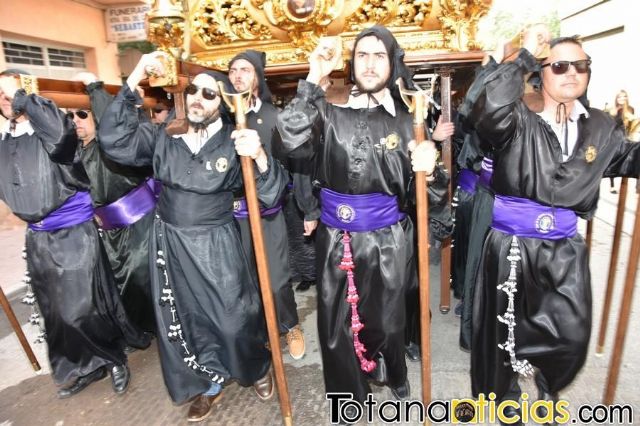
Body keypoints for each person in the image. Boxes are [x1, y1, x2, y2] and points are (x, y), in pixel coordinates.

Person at [98, 53, 289, 422]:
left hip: (217, 243)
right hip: (169, 244)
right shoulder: (162, 135)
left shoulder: (236, 141)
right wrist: (136, 74)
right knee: (186, 322)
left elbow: (272, 193)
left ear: (223, 103)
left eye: (209, 93)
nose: (198, 98)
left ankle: (255, 367)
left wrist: (261, 155)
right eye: (193, 91)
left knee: (235, 319)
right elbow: (113, 139)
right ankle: (208, 385)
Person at [469, 27, 640, 425]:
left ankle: (550, 382)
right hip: (510, 245)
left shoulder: (602, 126)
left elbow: (630, 159)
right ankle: (501, 398)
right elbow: (486, 107)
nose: (571, 73)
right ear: (542, 73)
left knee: (571, 335)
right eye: (559, 65)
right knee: (501, 334)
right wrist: (525, 54)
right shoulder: (515, 119)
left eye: (580, 65)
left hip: (564, 248)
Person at [276, 25, 451, 404]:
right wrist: (313, 76)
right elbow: (288, 140)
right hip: (335, 236)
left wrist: (431, 168)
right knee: (335, 325)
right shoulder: (327, 110)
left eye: (379, 56)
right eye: (362, 55)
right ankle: (348, 398)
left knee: (387, 324)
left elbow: (435, 199)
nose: (369, 64)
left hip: (387, 239)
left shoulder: (410, 120)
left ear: (392, 63)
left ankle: (393, 371)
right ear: (351, 63)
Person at [0, 69, 149, 399]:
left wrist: (25, 98)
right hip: (38, 238)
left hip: (72, 231)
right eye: (1, 96)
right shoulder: (5, 139)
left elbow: (60, 139)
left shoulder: (51, 126)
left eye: (11, 93)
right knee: (56, 312)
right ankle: (84, 365)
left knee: (86, 305)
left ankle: (113, 360)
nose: (7, 100)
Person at [228, 50, 306, 360]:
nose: (237, 75)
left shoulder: (274, 119)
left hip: (269, 212)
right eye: (233, 70)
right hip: (231, 217)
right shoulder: (220, 120)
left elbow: (293, 167)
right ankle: (258, 330)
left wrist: (307, 207)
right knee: (243, 281)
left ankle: (290, 325)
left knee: (275, 281)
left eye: (245, 69)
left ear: (258, 77)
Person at [68, 72, 157, 335]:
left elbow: (113, 122)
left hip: (139, 226)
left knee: (143, 280)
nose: (75, 120)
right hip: (107, 234)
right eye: (70, 116)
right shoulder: (74, 153)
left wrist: (95, 87)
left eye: (82, 114)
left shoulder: (113, 148)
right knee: (117, 288)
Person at [605, 90, 635, 193]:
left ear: (627, 98)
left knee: (633, 158)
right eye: (619, 97)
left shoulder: (630, 109)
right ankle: (612, 186)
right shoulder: (612, 110)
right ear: (616, 98)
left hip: (625, 137)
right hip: (613, 138)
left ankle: (636, 187)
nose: (622, 99)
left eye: (624, 97)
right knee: (611, 161)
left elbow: (630, 125)